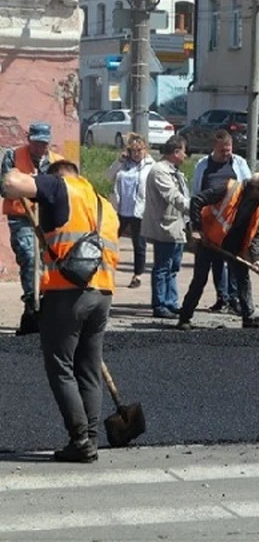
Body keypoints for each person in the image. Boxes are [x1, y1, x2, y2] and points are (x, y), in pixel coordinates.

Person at [1, 159, 120, 463]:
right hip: (102, 294)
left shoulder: (58, 186)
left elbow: (11, 186)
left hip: (66, 295)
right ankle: (90, 440)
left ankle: (79, 439)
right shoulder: (103, 204)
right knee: (89, 369)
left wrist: (14, 170)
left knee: (61, 366)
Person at [177, 173, 259, 331]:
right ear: (257, 189)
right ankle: (184, 318)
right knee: (200, 279)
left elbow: (255, 234)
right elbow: (196, 201)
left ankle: (248, 317)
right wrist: (197, 229)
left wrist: (256, 259)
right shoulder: (228, 189)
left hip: (234, 245)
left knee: (243, 279)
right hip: (210, 240)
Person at [0, 122, 64, 335]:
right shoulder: (13, 157)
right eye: (36, 142)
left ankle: (47, 303)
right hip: (22, 217)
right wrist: (24, 187)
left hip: (47, 219)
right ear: (29, 140)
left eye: (44, 143)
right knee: (29, 258)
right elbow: (5, 187)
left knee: (51, 262)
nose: (40, 147)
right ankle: (31, 305)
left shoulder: (57, 162)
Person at [191, 129, 252, 314]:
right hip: (211, 224)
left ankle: (234, 299)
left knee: (234, 262)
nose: (226, 154)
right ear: (214, 148)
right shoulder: (203, 165)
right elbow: (196, 194)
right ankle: (222, 298)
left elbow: (248, 189)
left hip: (233, 224)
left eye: (228, 150)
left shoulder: (239, 163)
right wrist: (196, 225)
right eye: (222, 151)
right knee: (215, 263)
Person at [141, 136, 190, 319]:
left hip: (177, 227)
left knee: (173, 267)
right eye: (184, 151)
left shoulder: (175, 171)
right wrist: (194, 207)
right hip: (165, 227)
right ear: (176, 152)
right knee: (162, 266)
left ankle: (171, 302)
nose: (186, 155)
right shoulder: (160, 171)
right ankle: (160, 304)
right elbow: (173, 196)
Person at [105, 133, 155, 288]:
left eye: (140, 150)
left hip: (139, 210)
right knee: (109, 240)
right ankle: (106, 270)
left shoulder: (151, 165)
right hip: (120, 209)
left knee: (139, 245)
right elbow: (108, 176)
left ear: (145, 149)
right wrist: (118, 161)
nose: (137, 153)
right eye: (133, 150)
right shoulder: (124, 164)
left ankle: (137, 275)